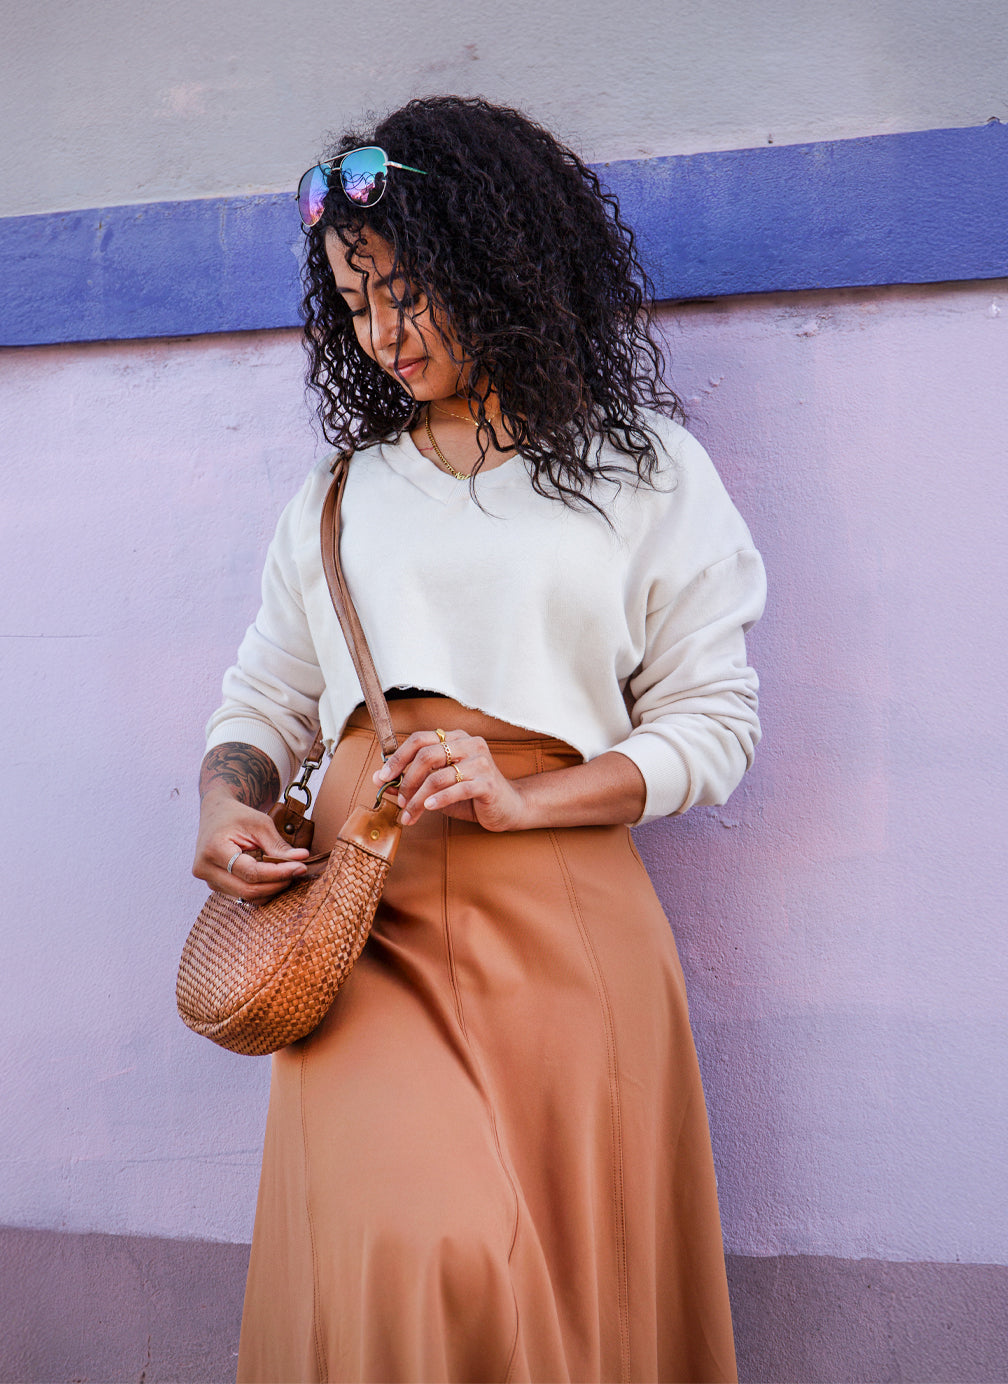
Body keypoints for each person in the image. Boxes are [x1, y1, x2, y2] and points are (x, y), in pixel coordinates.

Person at [192, 95, 765, 1384]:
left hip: (560, 928)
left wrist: (525, 801)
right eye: (355, 301)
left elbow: (712, 724)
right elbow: (264, 704)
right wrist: (227, 803)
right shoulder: (340, 493)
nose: (381, 333)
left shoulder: (646, 473)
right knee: (428, 1249)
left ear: (500, 268)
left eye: (406, 292)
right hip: (361, 922)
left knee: (548, 1282)